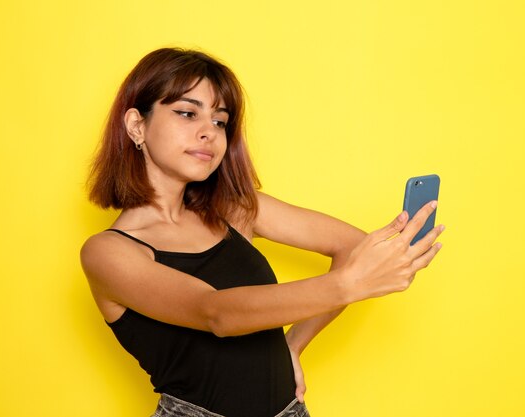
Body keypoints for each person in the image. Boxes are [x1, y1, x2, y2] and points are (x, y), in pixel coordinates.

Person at [80, 47, 444, 417]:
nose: (208, 132)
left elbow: (353, 246)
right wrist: (348, 284)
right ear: (136, 125)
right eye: (187, 113)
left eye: (220, 121)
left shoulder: (232, 208)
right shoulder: (108, 252)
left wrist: (293, 345)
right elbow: (215, 314)